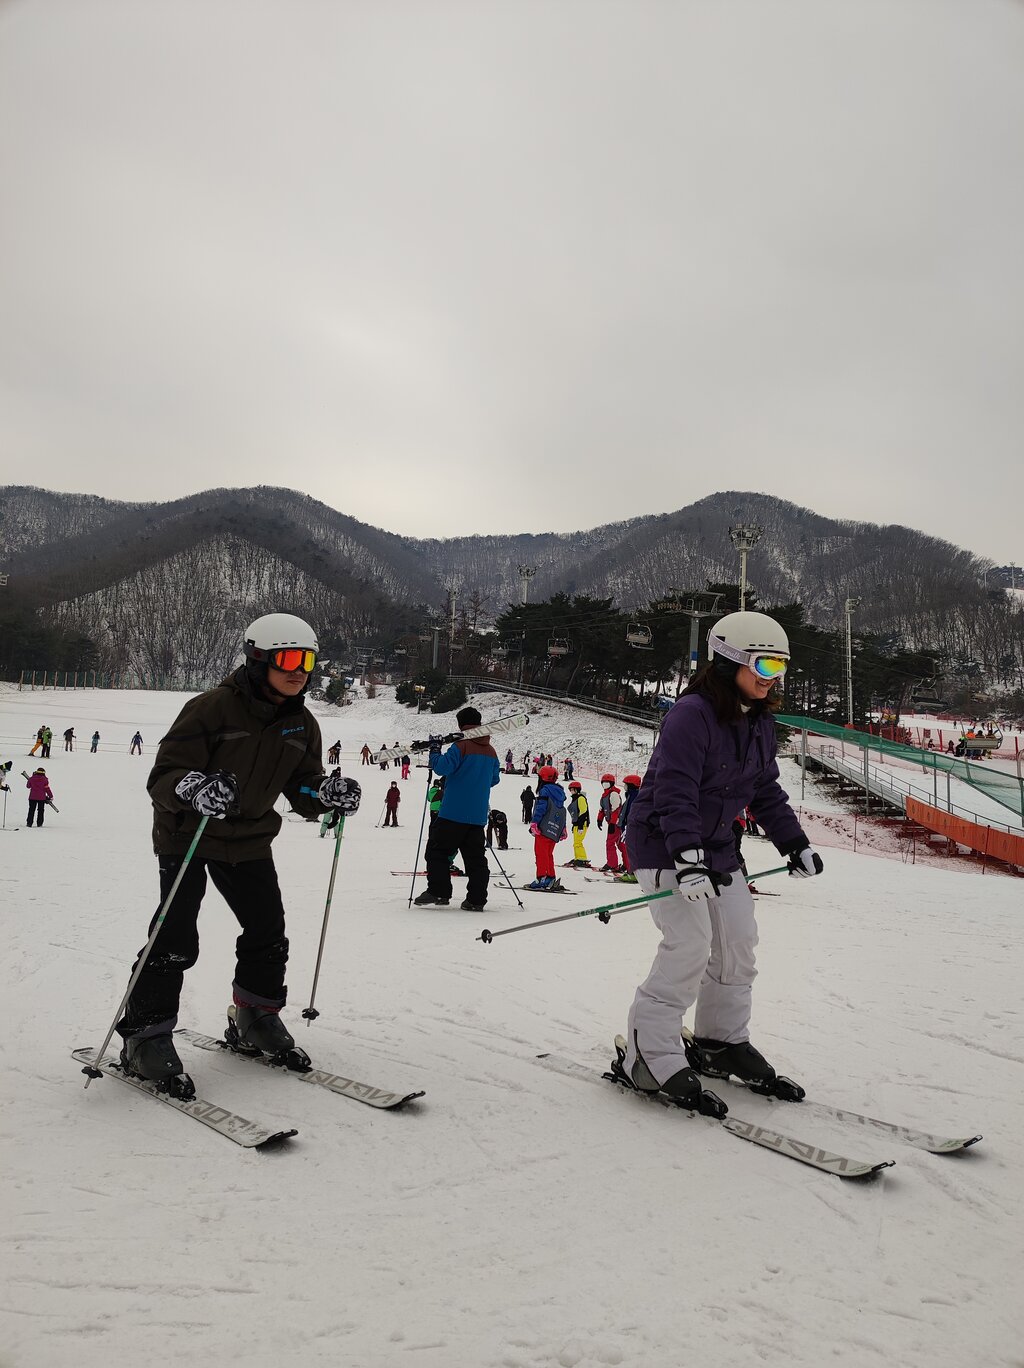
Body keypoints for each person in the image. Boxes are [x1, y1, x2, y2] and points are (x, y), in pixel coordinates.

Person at [112, 612, 362, 1087]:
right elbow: (164, 776)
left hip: (248, 839)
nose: (298, 670)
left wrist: (323, 794)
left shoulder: (301, 724)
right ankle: (144, 1036)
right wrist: (194, 788)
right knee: (175, 937)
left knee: (268, 930)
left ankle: (255, 1016)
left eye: (307, 661)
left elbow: (301, 785)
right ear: (257, 660)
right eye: (286, 659)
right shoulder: (211, 709)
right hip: (189, 834)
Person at [617, 611, 822, 1108]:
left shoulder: (759, 722)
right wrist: (686, 856)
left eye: (781, 668)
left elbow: (765, 789)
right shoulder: (692, 714)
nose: (773, 678)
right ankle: (649, 1052)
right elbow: (675, 786)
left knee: (737, 945)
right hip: (664, 843)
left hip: (718, 850)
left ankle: (719, 1042)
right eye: (765, 665)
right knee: (689, 944)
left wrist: (794, 843)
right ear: (730, 660)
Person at [415, 707, 499, 913]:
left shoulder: (460, 746)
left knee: (437, 852)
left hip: (453, 812)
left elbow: (441, 768)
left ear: (461, 724)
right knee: (476, 860)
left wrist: (435, 750)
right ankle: (476, 899)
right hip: (477, 816)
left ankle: (439, 891)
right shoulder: (491, 751)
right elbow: (494, 779)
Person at [528, 766, 567, 890]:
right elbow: (560, 811)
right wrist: (563, 828)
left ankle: (542, 878)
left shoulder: (545, 791)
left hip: (543, 827)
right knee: (548, 853)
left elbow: (540, 808)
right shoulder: (559, 791)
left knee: (540, 853)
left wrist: (534, 823)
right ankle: (550, 876)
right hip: (554, 828)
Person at [616, 774, 642, 881]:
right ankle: (631, 871)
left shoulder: (634, 796)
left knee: (631, 850)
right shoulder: (630, 795)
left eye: (626, 784)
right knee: (628, 849)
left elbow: (632, 812)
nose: (624, 786)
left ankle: (634, 873)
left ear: (631, 785)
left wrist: (627, 825)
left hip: (630, 827)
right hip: (627, 826)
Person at [596, 774, 623, 871]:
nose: (605, 785)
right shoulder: (605, 795)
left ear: (611, 784)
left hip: (616, 823)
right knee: (620, 843)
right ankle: (627, 864)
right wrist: (599, 819)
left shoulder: (614, 794)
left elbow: (616, 810)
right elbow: (602, 809)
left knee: (610, 843)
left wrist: (612, 823)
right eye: (603, 783)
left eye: (607, 783)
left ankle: (612, 864)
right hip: (612, 823)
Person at [566, 780, 591, 867]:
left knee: (578, 842)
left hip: (582, 824)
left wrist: (580, 826)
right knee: (576, 842)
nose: (571, 791)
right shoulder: (576, 799)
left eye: (572, 789)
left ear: (577, 790)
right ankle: (578, 858)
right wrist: (575, 825)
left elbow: (583, 812)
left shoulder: (581, 798)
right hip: (577, 824)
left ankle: (582, 858)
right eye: (570, 790)